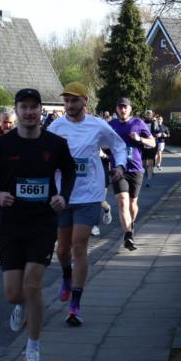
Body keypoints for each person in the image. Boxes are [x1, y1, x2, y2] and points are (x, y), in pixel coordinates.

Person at [0, 88, 76, 361]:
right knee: (13, 293)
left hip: (43, 221)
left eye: (35, 107)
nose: (30, 112)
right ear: (17, 110)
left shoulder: (56, 144)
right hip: (11, 222)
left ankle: (32, 349)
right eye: (24, 107)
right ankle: (20, 305)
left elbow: (69, 172)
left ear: (40, 111)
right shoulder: (2, 145)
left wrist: (64, 196)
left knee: (32, 285)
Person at [47, 83, 127, 326]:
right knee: (62, 250)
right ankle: (67, 275)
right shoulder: (56, 126)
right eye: (66, 101)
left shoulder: (97, 125)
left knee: (78, 245)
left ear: (85, 102)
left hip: (90, 194)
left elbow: (118, 145)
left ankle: (75, 305)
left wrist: (119, 166)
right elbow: (44, 153)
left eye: (74, 101)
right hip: (63, 196)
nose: (69, 105)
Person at [108, 97, 155, 251]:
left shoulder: (138, 123)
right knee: (122, 201)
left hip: (135, 168)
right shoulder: (111, 125)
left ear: (130, 109)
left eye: (125, 107)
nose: (122, 110)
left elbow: (153, 142)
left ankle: (130, 225)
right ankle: (128, 235)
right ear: (116, 109)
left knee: (133, 203)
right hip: (118, 169)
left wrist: (140, 138)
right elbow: (100, 141)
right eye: (120, 107)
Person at [142, 110, 158, 186]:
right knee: (143, 163)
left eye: (150, 114)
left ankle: (149, 180)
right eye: (147, 114)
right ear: (145, 115)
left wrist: (159, 133)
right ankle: (146, 172)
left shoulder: (154, 122)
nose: (148, 115)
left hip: (152, 144)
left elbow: (157, 130)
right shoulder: (142, 122)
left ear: (152, 115)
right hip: (143, 144)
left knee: (151, 163)